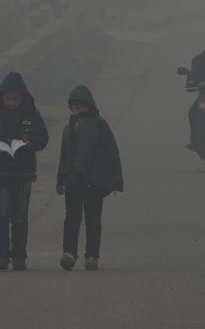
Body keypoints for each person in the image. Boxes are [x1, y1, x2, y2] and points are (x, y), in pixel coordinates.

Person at [0, 72, 49, 271]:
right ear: (2, 97)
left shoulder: (32, 115)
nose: (11, 102)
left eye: (15, 99)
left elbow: (43, 138)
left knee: (20, 216)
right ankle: (1, 255)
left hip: (23, 173)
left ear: (23, 97)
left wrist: (30, 143)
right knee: (0, 216)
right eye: (8, 98)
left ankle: (19, 256)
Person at [56, 86, 123, 272]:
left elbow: (98, 154)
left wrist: (72, 176)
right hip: (77, 181)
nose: (77, 110)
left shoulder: (94, 125)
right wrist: (60, 178)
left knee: (89, 219)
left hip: (91, 182)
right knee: (75, 219)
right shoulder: (71, 127)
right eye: (74, 106)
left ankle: (90, 255)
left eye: (80, 106)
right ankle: (71, 253)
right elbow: (65, 156)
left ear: (88, 106)